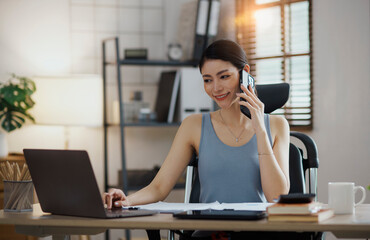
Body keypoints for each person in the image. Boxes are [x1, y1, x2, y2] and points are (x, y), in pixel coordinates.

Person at [103, 39, 290, 210]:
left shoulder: (276, 125)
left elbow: (277, 196)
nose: (215, 88)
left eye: (224, 77)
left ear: (245, 74)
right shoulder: (193, 125)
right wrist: (127, 200)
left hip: (259, 232)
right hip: (209, 232)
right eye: (208, 80)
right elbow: (159, 187)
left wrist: (260, 130)